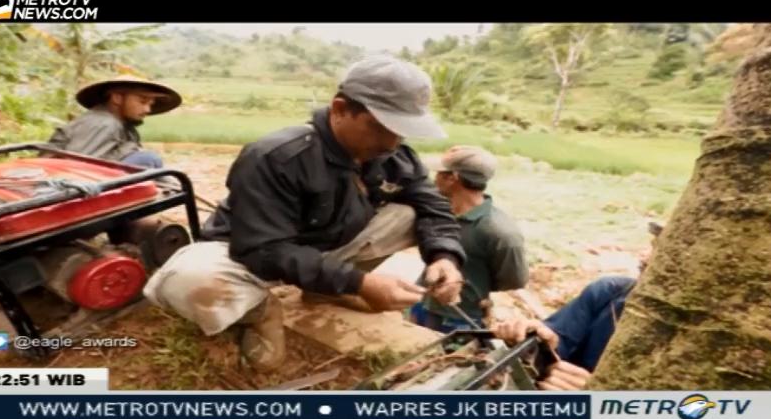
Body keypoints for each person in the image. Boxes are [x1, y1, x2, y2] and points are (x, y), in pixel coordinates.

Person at [144, 55, 467, 371]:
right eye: (382, 127)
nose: (392, 141)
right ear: (340, 109)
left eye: (402, 130)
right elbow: (263, 249)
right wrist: (358, 282)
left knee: (411, 212)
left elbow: (434, 205)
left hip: (324, 246)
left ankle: (321, 290)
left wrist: (444, 257)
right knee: (186, 280)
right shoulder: (275, 156)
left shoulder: (392, 155)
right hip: (250, 253)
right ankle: (260, 312)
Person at [493, 222, 664, 390]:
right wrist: (542, 342)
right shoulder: (609, 292)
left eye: (661, 249)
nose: (644, 257)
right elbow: (559, 343)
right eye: (652, 245)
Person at [411, 145, 528, 332]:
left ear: (453, 178)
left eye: (440, 173)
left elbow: (513, 281)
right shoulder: (440, 213)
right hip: (422, 304)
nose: (434, 178)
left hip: (458, 320)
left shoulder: (500, 232)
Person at [48, 75, 181, 168]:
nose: (147, 109)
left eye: (150, 104)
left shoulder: (123, 126)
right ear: (117, 98)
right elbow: (76, 166)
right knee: (148, 159)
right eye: (142, 101)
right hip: (63, 180)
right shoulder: (103, 123)